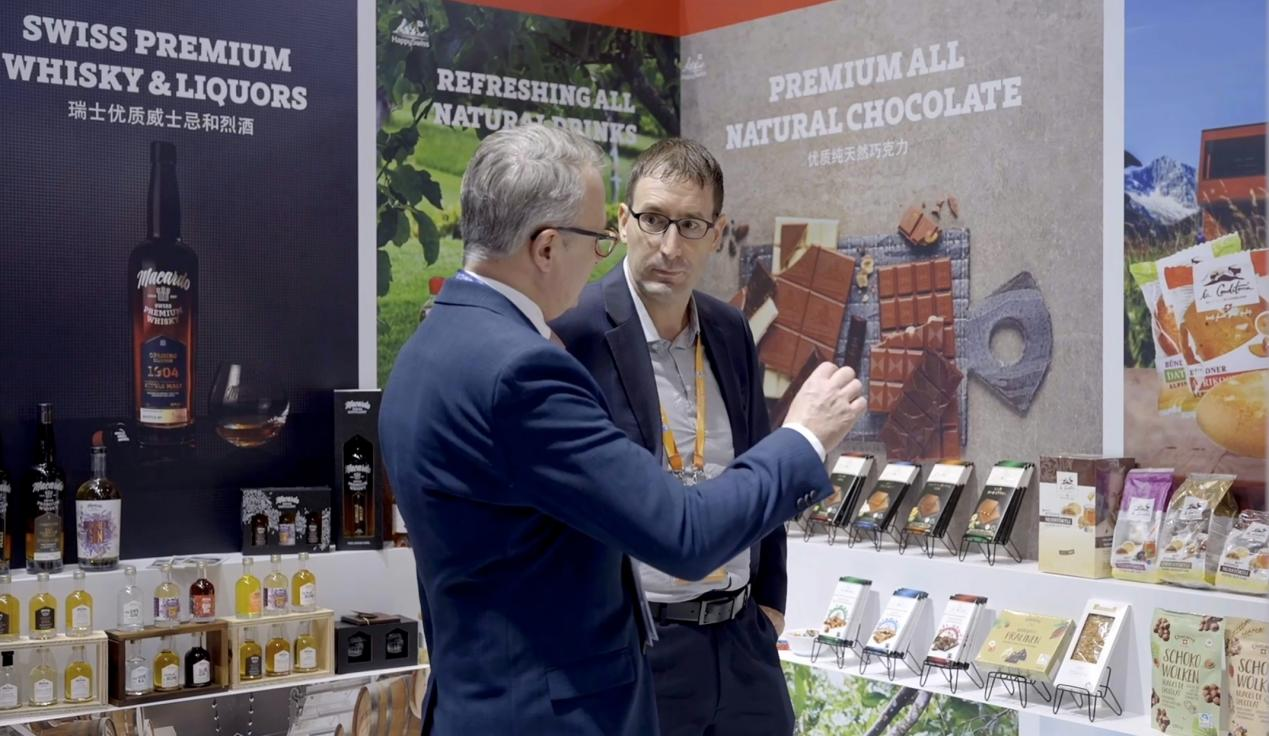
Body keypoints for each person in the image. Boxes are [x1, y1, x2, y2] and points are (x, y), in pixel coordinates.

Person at [379, 124, 866, 735]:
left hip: (494, 697)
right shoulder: (526, 368)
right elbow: (683, 533)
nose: (602, 254)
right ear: (547, 248)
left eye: (691, 225)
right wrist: (805, 439)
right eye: (600, 237)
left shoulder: (432, 345)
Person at [552, 138, 797, 735]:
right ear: (622, 222)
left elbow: (761, 464)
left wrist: (771, 602)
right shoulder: (573, 333)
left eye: (690, 225)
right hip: (638, 645)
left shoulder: (730, 329)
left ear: (716, 234)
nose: (670, 246)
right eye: (654, 220)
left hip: (743, 643)